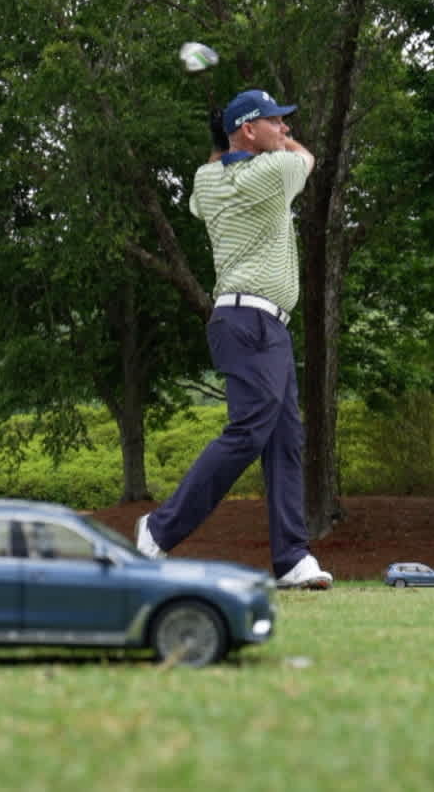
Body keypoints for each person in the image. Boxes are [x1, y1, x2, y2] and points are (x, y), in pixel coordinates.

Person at [135, 88, 333, 590]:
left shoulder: (208, 177)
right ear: (249, 129)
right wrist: (285, 143)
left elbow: (203, 196)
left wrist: (224, 141)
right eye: (276, 121)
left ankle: (291, 560)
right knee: (250, 431)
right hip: (250, 323)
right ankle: (158, 529)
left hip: (257, 326)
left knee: (286, 440)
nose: (286, 130)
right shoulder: (275, 171)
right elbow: (306, 159)